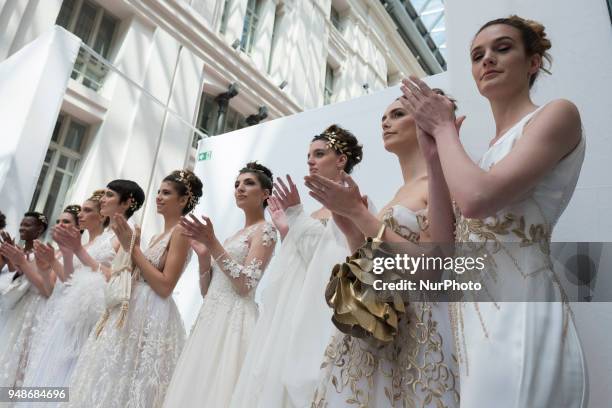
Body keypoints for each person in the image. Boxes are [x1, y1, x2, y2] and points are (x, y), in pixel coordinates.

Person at [400, 15, 587, 407]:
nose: (487, 60)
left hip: (519, 306)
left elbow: (476, 199)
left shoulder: (557, 114)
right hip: (473, 317)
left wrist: (446, 130)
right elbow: (441, 254)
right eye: (477, 55)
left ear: (533, 61)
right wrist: (433, 156)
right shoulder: (486, 156)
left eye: (503, 48)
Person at [306, 93, 460, 407]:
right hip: (380, 319)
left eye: (398, 114)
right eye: (384, 117)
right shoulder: (399, 193)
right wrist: (351, 227)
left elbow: (434, 267)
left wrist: (360, 215)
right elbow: (377, 262)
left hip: (418, 323)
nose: (386, 122)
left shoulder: (439, 181)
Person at [231, 126, 364, 408]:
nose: (311, 161)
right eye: (308, 156)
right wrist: (286, 230)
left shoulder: (354, 203)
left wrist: (297, 217)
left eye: (319, 154)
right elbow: (301, 259)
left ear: (341, 160)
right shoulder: (315, 213)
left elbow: (339, 262)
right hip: (291, 308)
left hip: (319, 309)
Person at [67, 172, 201, 408]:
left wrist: (133, 249)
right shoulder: (159, 236)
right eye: (159, 191)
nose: (158, 197)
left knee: (133, 383)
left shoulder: (181, 231)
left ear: (183, 200)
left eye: (166, 192)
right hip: (135, 308)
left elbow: (165, 285)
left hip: (152, 311)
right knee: (113, 378)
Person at [164, 162, 277, 408]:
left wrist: (213, 244)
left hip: (235, 322)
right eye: (237, 184)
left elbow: (246, 284)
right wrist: (204, 256)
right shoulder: (233, 237)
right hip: (210, 320)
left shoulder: (266, 230)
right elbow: (207, 290)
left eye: (249, 183)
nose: (240, 189)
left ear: (266, 193)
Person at [23, 190, 115, 393]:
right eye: (81, 210)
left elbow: (108, 277)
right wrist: (54, 260)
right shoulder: (84, 243)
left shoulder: (108, 241)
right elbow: (68, 280)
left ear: (101, 216)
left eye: (87, 210)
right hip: (65, 308)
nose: (80, 215)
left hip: (85, 314)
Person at [0, 212, 50, 387]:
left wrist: (18, 260)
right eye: (21, 224)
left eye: (27, 225)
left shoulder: (42, 252)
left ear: (40, 229)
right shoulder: (18, 250)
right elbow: (16, 276)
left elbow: (34, 277)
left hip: (31, 307)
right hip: (13, 305)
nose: (22, 228)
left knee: (20, 355)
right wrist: (9, 259)